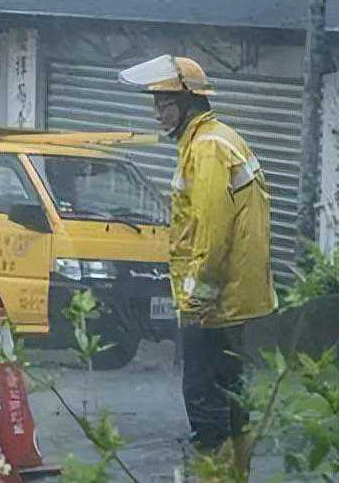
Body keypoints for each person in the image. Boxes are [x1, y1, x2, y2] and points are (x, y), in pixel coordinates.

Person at [118, 55, 275, 470]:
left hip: (215, 305)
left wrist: (195, 301)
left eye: (164, 104)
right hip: (232, 301)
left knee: (205, 401)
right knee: (231, 396)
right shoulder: (214, 140)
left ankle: (215, 476)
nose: (157, 113)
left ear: (188, 102)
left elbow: (210, 231)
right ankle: (235, 474)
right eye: (155, 103)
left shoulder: (207, 148)